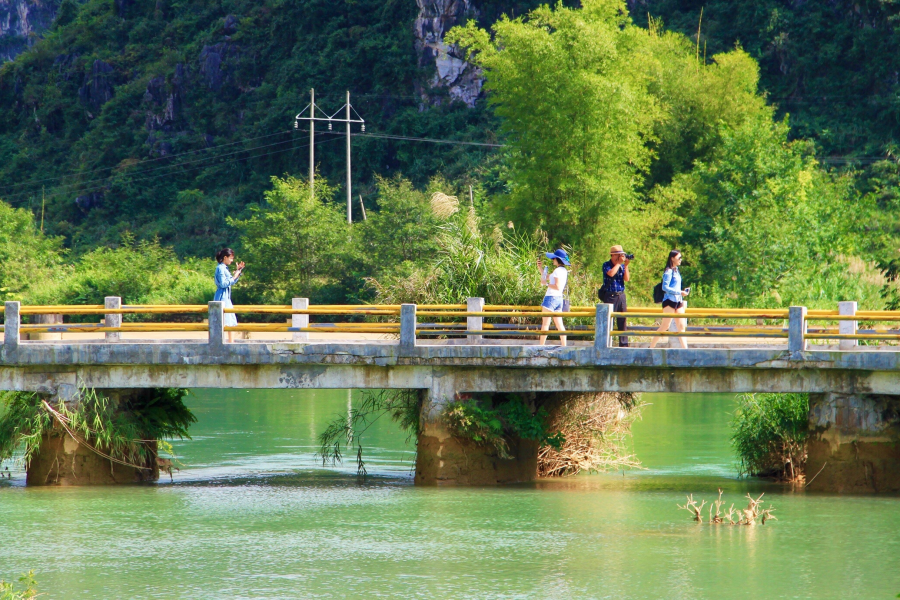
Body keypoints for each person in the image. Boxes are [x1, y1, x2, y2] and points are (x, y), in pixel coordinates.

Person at [650, 250, 690, 349]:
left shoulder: (677, 270)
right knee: (665, 326)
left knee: (681, 327)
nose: (680, 260)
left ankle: (686, 350)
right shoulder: (668, 271)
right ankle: (651, 347)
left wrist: (681, 292)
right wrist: (679, 292)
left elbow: (675, 286)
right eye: (679, 258)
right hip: (669, 301)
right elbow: (665, 287)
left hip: (678, 301)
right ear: (672, 258)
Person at [537, 248, 569, 346]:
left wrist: (545, 284)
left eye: (554, 258)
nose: (552, 260)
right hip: (559, 299)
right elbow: (546, 277)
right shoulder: (562, 270)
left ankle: (541, 347)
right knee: (559, 325)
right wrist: (540, 268)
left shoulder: (557, 271)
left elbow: (557, 286)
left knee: (545, 324)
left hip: (551, 298)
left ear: (557, 259)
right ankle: (564, 346)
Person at [601, 245, 630, 347]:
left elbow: (627, 279)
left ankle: (624, 345)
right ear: (613, 255)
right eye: (618, 255)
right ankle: (607, 344)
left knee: (622, 320)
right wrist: (618, 263)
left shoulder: (621, 266)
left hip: (621, 295)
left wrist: (625, 266)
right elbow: (611, 273)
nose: (620, 257)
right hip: (610, 296)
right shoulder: (606, 265)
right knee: (609, 321)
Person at [214, 248, 245, 343]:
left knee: (230, 321)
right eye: (231, 258)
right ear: (225, 257)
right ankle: (222, 343)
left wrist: (237, 272)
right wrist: (234, 276)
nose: (232, 260)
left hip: (226, 297)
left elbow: (231, 282)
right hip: (222, 298)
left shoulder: (224, 268)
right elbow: (223, 284)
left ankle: (231, 342)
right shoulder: (220, 268)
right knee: (223, 321)